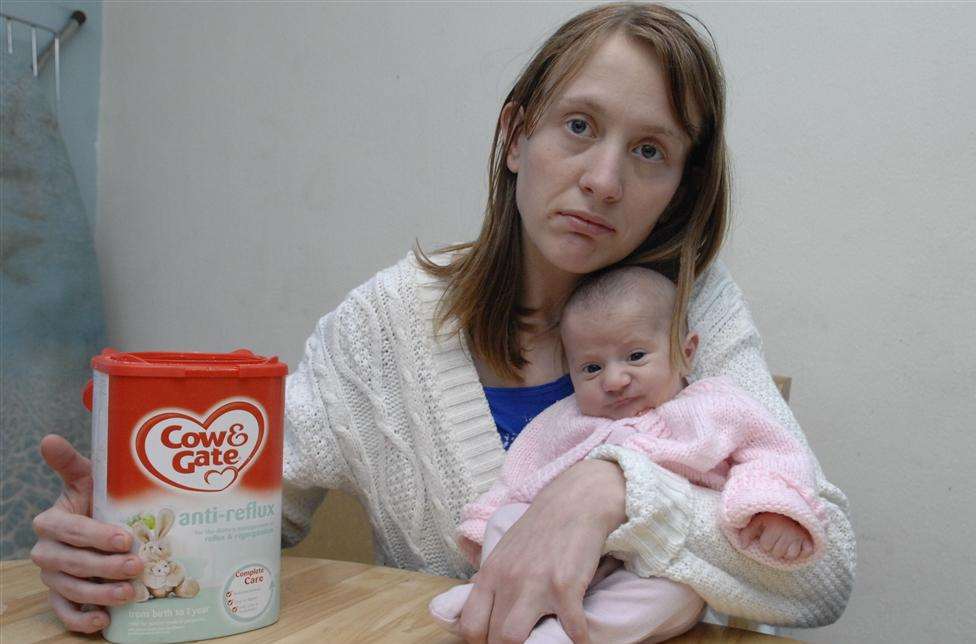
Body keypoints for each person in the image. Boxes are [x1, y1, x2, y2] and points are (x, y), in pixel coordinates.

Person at [30, 3, 855, 641]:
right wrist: (120, 540)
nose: (603, 179)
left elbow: (823, 579)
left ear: (681, 184)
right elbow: (244, 512)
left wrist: (609, 488)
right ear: (513, 136)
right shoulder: (385, 327)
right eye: (578, 126)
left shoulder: (695, 309)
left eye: (650, 151)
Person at [429, 266, 825, 643]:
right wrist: (486, 526)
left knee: (679, 594)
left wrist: (774, 508)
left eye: (636, 356)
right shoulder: (565, 419)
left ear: (687, 352)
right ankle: (489, 592)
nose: (615, 380)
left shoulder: (717, 407)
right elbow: (520, 477)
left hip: (655, 561)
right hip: (556, 553)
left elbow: (771, 452)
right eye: (591, 368)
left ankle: (569, 634)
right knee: (508, 517)